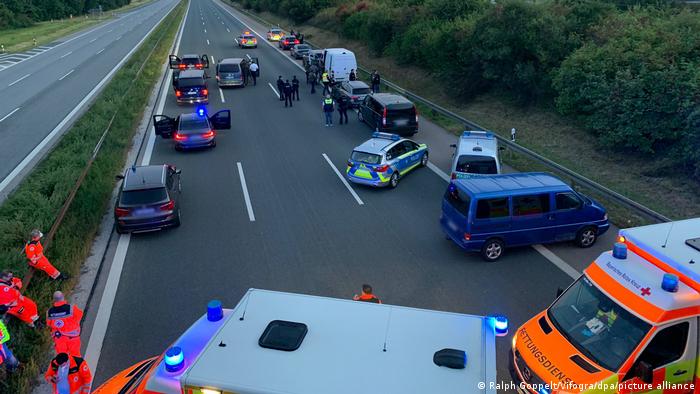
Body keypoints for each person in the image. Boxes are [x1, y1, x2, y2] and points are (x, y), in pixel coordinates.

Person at [47, 291, 84, 357]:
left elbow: (49, 324)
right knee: (75, 356)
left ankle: (66, 366)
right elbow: (80, 315)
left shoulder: (49, 312)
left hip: (59, 338)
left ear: (54, 300)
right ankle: (76, 366)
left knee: (63, 357)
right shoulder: (71, 308)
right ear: (63, 297)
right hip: (72, 337)